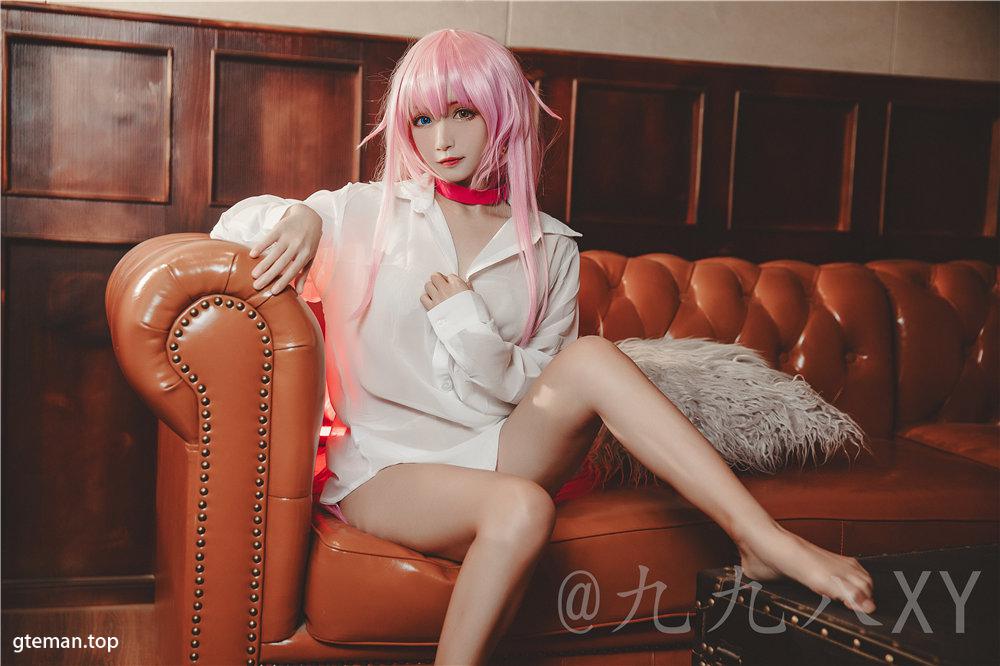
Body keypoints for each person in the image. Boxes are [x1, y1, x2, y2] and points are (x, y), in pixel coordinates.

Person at [210, 27, 875, 666]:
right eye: (422, 120)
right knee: (521, 507)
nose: (441, 139)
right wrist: (297, 215)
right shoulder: (363, 212)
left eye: (463, 113)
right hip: (388, 467)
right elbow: (230, 233)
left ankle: (759, 538)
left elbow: (530, 386)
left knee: (591, 359)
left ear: (500, 114)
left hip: (503, 446)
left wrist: (468, 327)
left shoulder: (551, 246)